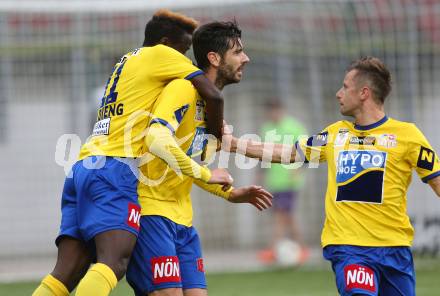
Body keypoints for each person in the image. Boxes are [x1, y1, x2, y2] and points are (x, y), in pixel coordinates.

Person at [32, 10, 234, 296]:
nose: (187, 60)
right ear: (165, 43)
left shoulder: (128, 61)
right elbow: (212, 94)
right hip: (114, 168)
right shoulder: (162, 56)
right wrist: (217, 134)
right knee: (114, 262)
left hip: (83, 164)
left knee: (66, 273)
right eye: (185, 49)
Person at [225, 56, 440, 295]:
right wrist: (233, 144)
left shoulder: (408, 136)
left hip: (395, 249)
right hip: (350, 248)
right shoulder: (334, 135)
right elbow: (287, 153)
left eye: (345, 87)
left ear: (364, 93)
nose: (338, 93)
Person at [126, 21, 272, 296]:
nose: (246, 58)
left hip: (183, 220)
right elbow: (156, 139)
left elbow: (190, 163)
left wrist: (229, 193)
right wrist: (207, 175)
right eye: (238, 52)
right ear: (214, 58)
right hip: (151, 213)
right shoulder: (183, 89)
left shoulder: (212, 108)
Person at [257, 100, 309, 264]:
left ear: (282, 110)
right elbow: (263, 155)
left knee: (281, 215)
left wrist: (298, 170)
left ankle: (273, 250)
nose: (273, 114)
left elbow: (308, 152)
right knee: (288, 216)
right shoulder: (266, 129)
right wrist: (260, 175)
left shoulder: (294, 127)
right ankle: (301, 249)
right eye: (270, 111)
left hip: (290, 181)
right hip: (275, 182)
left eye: (276, 110)